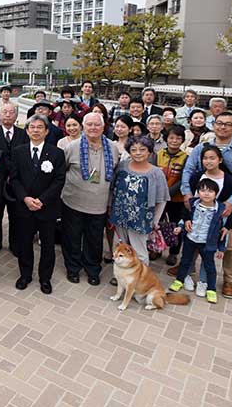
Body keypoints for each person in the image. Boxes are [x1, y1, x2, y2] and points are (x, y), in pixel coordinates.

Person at [181, 111, 232, 299]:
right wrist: (187, 192)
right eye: (219, 123)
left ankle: (229, 279)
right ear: (214, 125)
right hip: (200, 202)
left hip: (226, 204)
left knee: (229, 241)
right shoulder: (201, 148)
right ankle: (187, 269)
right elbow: (188, 170)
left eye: (228, 124)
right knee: (194, 234)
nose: (223, 127)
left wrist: (231, 202)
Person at [61, 112, 120, 286]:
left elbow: (115, 174)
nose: (93, 128)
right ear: (83, 127)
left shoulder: (113, 148)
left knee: (94, 240)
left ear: (103, 127)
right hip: (73, 201)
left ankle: (92, 269)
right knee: (72, 238)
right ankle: (73, 268)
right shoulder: (72, 147)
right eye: (89, 124)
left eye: (97, 124)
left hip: (99, 204)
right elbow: (62, 170)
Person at [11, 114, 66, 294]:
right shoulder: (18, 152)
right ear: (27, 131)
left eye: (40, 127)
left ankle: (45, 278)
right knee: (24, 243)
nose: (36, 130)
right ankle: (25, 275)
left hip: (47, 207)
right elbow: (14, 179)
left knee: (48, 245)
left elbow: (59, 180)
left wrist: (42, 200)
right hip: (24, 206)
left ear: (47, 131)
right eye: (32, 127)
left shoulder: (56, 153)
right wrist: (25, 198)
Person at [108, 136, 169, 267]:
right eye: (133, 150)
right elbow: (112, 189)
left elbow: (162, 199)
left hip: (141, 219)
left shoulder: (156, 173)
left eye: (142, 149)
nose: (138, 153)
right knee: (119, 248)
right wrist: (109, 208)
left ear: (149, 151)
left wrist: (155, 221)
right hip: (120, 216)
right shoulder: (122, 166)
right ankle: (120, 274)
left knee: (139, 251)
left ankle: (139, 276)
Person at [169, 178, 227, 304]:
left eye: (210, 191)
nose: (206, 194)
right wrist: (180, 227)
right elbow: (185, 217)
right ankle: (179, 280)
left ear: (216, 194)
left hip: (207, 243)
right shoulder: (192, 204)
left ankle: (211, 289)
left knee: (209, 266)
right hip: (191, 239)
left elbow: (222, 232)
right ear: (198, 192)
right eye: (203, 190)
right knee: (185, 261)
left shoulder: (220, 210)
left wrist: (222, 248)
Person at [0, 102, 28, 253]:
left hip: (17, 181)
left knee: (16, 215)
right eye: (4, 112)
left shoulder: (23, 134)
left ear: (16, 115)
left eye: (11, 112)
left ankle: (15, 245)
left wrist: (13, 174)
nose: (7, 115)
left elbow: (25, 156)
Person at [157, 124, 188, 266]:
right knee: (157, 223)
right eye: (171, 138)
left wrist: (169, 192)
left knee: (175, 225)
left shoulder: (185, 158)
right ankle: (156, 248)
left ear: (182, 140)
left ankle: (173, 252)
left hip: (176, 198)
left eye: (178, 138)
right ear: (166, 139)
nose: (174, 141)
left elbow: (183, 179)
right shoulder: (158, 155)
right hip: (159, 197)